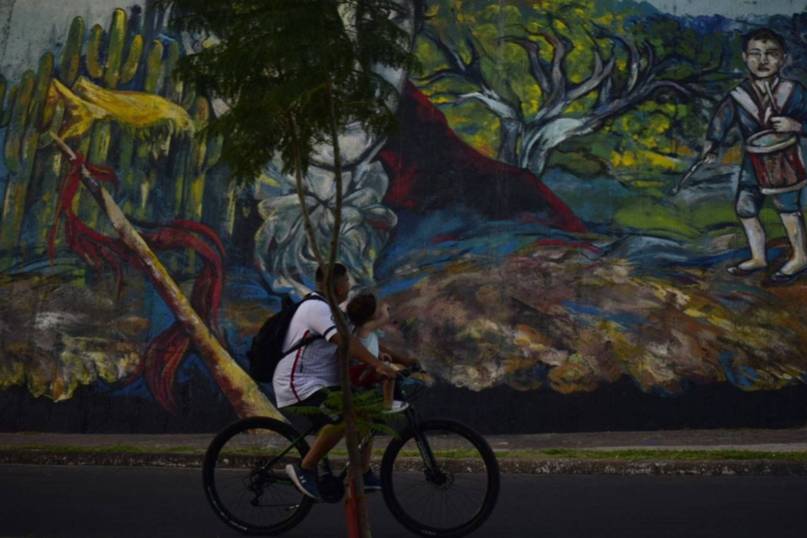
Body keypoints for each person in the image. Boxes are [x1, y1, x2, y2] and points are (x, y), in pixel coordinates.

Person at [273, 263, 398, 500]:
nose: (349, 286)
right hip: (299, 383)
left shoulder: (334, 311)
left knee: (367, 412)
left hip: (321, 383)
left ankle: (361, 470)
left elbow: (357, 339)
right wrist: (376, 364)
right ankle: (305, 468)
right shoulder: (315, 308)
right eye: (347, 281)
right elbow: (345, 341)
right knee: (346, 415)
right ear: (338, 286)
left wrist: (385, 357)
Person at [702, 28, 807, 284]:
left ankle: (800, 256)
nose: (763, 61)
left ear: (783, 59)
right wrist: (712, 144)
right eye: (755, 54)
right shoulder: (738, 96)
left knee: (787, 208)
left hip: (785, 160)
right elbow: (721, 121)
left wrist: (796, 126)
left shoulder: (794, 91)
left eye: (771, 54)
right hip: (753, 161)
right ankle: (758, 257)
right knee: (745, 207)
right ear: (745, 57)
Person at [346, 292, 418, 412]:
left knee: (390, 369)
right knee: (389, 374)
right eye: (376, 308)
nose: (379, 309)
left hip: (364, 369)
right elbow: (385, 319)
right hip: (360, 372)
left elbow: (368, 346)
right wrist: (384, 309)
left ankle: (387, 399)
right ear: (369, 314)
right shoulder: (365, 328)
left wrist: (380, 354)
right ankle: (387, 404)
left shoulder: (365, 330)